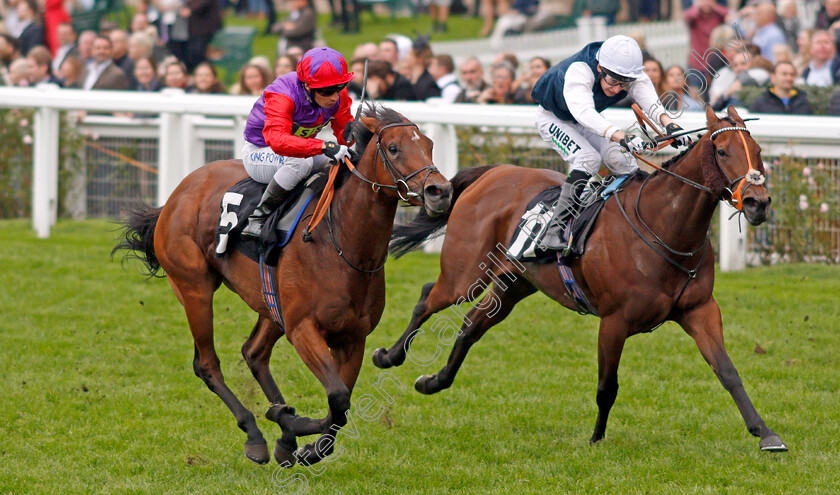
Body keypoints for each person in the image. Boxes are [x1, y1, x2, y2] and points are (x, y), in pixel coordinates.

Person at [531, 35, 692, 251]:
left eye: (623, 83)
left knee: (623, 161)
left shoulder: (628, 73)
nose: (617, 89)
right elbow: (584, 113)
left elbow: (652, 105)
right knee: (588, 159)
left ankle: (630, 223)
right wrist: (622, 137)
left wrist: (671, 125)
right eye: (613, 81)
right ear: (599, 68)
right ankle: (553, 231)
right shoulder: (580, 71)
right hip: (553, 118)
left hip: (585, 121)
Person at [240, 47, 355, 238]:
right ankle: (257, 219)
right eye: (327, 91)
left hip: (297, 149)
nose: (335, 97)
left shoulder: (336, 95)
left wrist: (352, 135)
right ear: (308, 86)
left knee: (342, 161)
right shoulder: (282, 95)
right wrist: (323, 146)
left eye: (339, 88)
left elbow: (344, 134)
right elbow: (277, 141)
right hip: (260, 150)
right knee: (301, 162)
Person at [749, 61, 813, 115]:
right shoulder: (760, 104)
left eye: (792, 74)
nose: (789, 78)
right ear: (773, 77)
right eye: (784, 74)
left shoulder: (803, 102)